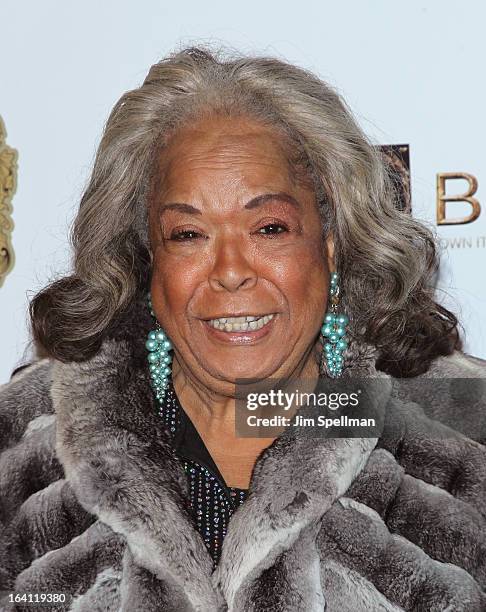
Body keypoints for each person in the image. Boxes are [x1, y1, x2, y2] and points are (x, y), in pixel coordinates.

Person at [1, 45, 485, 612]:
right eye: (188, 235)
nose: (231, 271)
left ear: (329, 243)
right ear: (145, 259)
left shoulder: (463, 433)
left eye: (270, 228)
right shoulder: (21, 450)